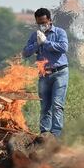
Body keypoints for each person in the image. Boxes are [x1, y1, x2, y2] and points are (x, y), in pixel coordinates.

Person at [22, 8, 69, 137]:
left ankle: (55, 135)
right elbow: (25, 52)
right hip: (43, 74)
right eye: (39, 23)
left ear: (50, 20)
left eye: (44, 22)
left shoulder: (60, 32)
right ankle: (44, 134)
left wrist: (46, 42)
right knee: (45, 106)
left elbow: (64, 47)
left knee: (57, 105)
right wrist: (37, 44)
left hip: (60, 72)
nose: (42, 25)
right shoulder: (35, 35)